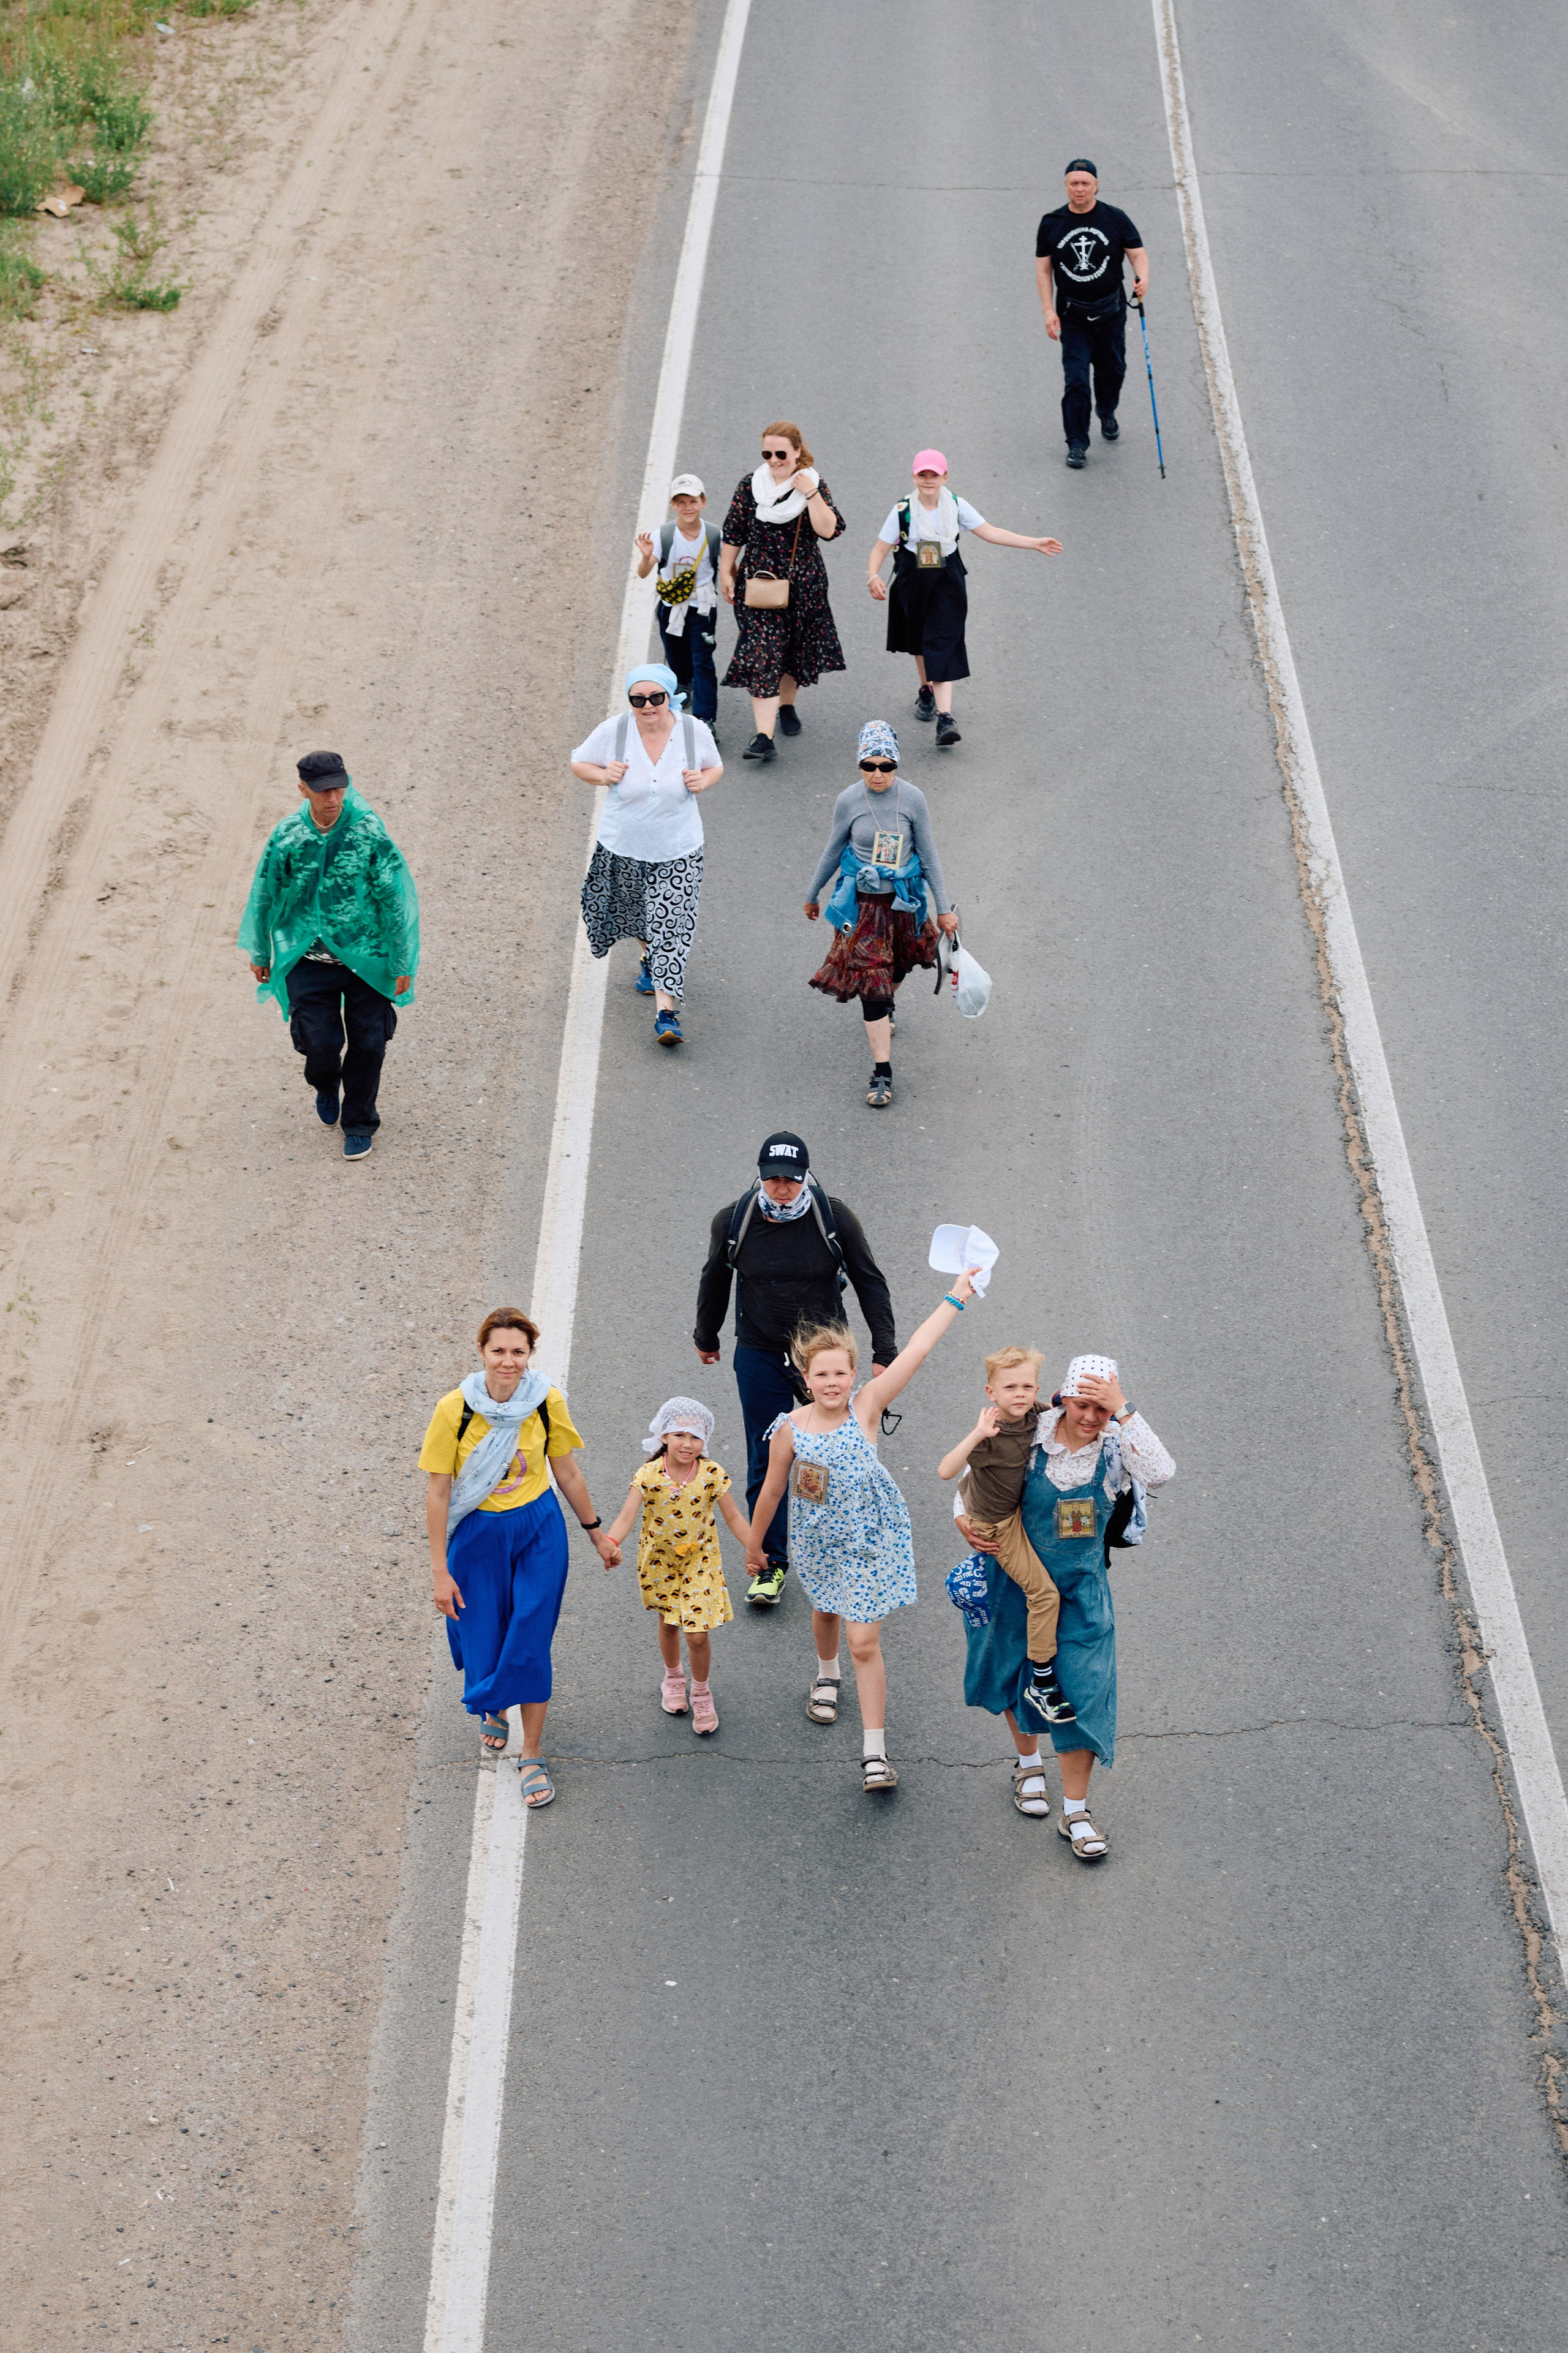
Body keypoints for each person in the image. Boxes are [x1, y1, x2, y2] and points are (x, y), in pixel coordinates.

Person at [745, 1268, 982, 1793]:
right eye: (821, 1375)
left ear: (854, 1375)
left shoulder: (867, 1407)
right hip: (817, 1541)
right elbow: (771, 1491)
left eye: (841, 1374)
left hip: (872, 1540)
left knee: (864, 1641)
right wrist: (756, 1545)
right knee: (826, 1607)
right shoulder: (789, 1430)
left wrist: (956, 1297)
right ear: (805, 1377)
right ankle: (826, 1675)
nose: (832, 1383)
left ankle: (874, 1754)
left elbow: (917, 1349)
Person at [957, 1354, 1174, 1859]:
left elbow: (1162, 1474)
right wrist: (962, 1520)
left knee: (1082, 1692)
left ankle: (1075, 1810)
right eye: (1083, 1405)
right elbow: (981, 1478)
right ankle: (1028, 1762)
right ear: (1065, 1397)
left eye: (1101, 1408)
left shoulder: (1119, 1445)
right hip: (1016, 1580)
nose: (1090, 1418)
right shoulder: (1032, 1428)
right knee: (1013, 1676)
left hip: (1081, 1594)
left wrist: (1125, 1409)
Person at [420, 1308, 620, 1810]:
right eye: (499, 1351)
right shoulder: (454, 1410)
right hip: (478, 1536)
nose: (508, 1362)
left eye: (518, 1352)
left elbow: (567, 1472)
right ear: (482, 1352)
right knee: (483, 1631)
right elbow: (439, 1493)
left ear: (529, 1355)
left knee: (530, 1634)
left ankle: (531, 1752)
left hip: (538, 1529)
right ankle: (494, 1702)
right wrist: (440, 1570)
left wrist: (595, 1533)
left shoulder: (546, 1402)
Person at [694, 1131, 897, 1607]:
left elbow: (869, 1279)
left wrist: (884, 1347)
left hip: (822, 1358)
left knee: (832, 1456)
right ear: (760, 1177)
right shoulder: (735, 1220)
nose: (781, 1189)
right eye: (773, 1180)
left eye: (790, 1180)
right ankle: (770, 1564)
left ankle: (846, 1543)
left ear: (805, 1177)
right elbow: (715, 1278)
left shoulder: (834, 1217)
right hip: (761, 1351)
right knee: (767, 1460)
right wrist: (707, 1335)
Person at [238, 750, 418, 1162]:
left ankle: (358, 1122)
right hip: (308, 961)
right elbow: (264, 897)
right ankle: (324, 1082)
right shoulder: (288, 836)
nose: (333, 798)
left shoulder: (368, 833)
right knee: (321, 1044)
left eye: (339, 788)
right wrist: (261, 950)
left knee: (370, 1045)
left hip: (366, 958)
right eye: (322, 791)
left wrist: (401, 960)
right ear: (303, 790)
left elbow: (393, 899)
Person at [804, 721, 957, 1109]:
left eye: (886, 766)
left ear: (896, 765)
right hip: (864, 910)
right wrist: (812, 893)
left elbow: (930, 856)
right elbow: (833, 850)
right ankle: (883, 1072)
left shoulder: (914, 800)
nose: (877, 774)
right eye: (869, 765)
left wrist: (942, 909)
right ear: (859, 764)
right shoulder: (849, 801)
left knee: (899, 969)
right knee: (873, 988)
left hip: (905, 903)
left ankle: (889, 1002)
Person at [570, 663, 723, 1047]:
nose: (648, 706)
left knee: (670, 925)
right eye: (638, 699)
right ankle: (649, 961)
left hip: (679, 849)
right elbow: (579, 762)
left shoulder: (693, 732)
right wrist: (603, 776)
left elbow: (715, 767)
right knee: (639, 916)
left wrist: (702, 780)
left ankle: (666, 1015)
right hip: (623, 847)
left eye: (656, 698)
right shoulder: (614, 731)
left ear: (669, 697)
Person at [867, 450, 1061, 745]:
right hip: (912, 579)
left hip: (947, 580)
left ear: (945, 477)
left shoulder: (956, 506)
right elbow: (881, 547)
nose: (929, 480)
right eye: (923, 475)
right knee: (920, 641)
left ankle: (945, 719)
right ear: (914, 477)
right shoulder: (902, 510)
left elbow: (990, 532)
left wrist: (1033, 543)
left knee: (942, 642)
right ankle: (927, 690)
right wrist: (873, 575)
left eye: (935, 475)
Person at [938, 1345, 1075, 1727]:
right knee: (1043, 1593)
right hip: (997, 1523)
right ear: (991, 1393)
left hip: (1015, 1505)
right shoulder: (990, 1434)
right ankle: (1042, 1679)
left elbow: (1068, 1415)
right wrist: (977, 1434)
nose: (1019, 1394)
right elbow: (946, 1470)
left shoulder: (1037, 1414)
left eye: (1027, 1386)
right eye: (1010, 1387)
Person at [603, 1397, 752, 1736]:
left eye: (696, 1436)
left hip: (701, 1560)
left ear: (705, 1442)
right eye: (679, 1434)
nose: (688, 1443)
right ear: (664, 1437)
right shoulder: (650, 1475)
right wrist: (610, 1543)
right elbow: (628, 1515)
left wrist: (754, 1550)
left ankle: (701, 1691)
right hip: (660, 1561)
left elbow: (732, 1516)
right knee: (668, 1622)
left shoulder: (712, 1474)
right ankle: (673, 1677)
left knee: (696, 1634)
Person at [718, 421, 845, 764]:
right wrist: (725, 573)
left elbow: (829, 529)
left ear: (797, 453)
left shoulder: (813, 485)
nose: (773, 460)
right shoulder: (751, 485)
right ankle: (764, 736)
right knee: (764, 652)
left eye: (781, 453)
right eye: (767, 453)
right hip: (758, 583)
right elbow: (734, 532)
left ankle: (787, 706)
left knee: (793, 649)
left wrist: (811, 494)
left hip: (804, 585)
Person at [1035, 159, 1148, 469]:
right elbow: (1043, 269)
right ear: (1066, 186)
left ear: (1096, 185)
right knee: (1076, 382)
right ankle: (1077, 443)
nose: (1080, 189)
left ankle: (1107, 411)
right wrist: (1048, 311)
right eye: (1074, 183)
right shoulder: (1052, 223)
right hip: (1072, 317)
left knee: (1113, 372)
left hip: (1111, 313)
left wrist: (1143, 277)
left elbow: (1136, 253)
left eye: (1086, 183)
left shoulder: (1115, 219)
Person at [635, 473, 722, 735]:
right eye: (681, 502)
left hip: (703, 607)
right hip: (671, 606)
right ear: (673, 505)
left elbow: (726, 567)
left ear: (703, 502)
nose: (688, 507)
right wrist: (647, 556)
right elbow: (643, 572)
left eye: (693, 501)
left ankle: (704, 721)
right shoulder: (664, 535)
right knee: (675, 650)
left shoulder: (715, 535)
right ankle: (683, 682)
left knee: (703, 660)